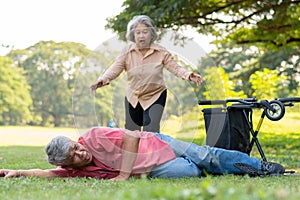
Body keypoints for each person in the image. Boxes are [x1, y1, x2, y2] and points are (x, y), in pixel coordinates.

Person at [0, 127, 285, 181]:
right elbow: (49, 173)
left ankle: (261, 167)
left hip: (154, 143)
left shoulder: (95, 136)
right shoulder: (75, 170)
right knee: (193, 172)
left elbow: (134, 136)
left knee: (206, 156)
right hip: (151, 167)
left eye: (76, 147)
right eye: (74, 156)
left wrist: (124, 173)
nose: (81, 152)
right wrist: (18, 172)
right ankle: (194, 165)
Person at [90, 15, 203, 133]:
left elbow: (175, 67)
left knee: (151, 131)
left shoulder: (161, 52)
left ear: (152, 34)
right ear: (133, 35)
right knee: (132, 132)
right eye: (138, 32)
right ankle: (132, 152)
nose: (141, 36)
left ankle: (151, 151)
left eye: (145, 32)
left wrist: (189, 75)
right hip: (133, 96)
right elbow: (114, 69)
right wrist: (102, 80)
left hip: (155, 95)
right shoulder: (127, 53)